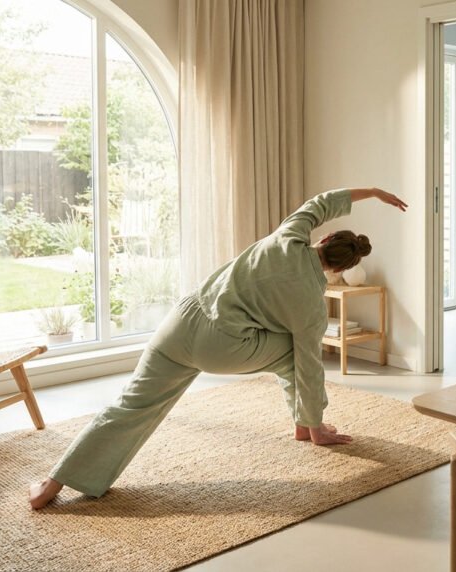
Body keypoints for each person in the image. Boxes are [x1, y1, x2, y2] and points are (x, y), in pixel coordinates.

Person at [29, 187, 407, 509]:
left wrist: (374, 193)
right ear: (338, 269)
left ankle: (52, 484)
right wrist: (317, 422)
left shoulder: (290, 234)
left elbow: (322, 201)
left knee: (131, 404)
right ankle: (306, 425)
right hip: (223, 347)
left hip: (180, 324)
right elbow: (308, 366)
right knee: (297, 351)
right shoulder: (312, 305)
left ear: (324, 238)